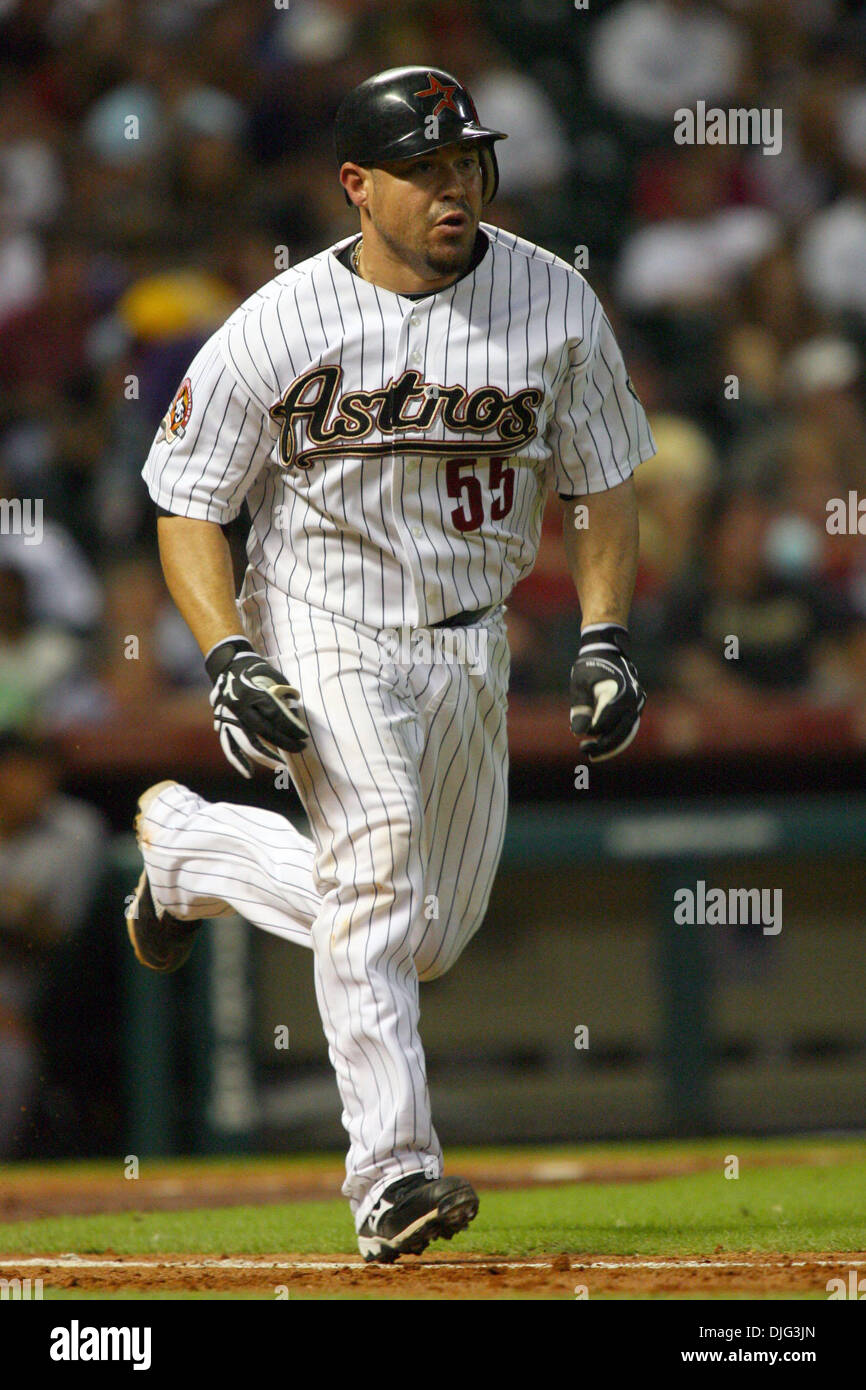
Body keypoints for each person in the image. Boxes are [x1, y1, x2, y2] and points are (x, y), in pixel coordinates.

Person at [128, 66, 654, 1262]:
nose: (451, 185)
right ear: (358, 186)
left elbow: (602, 478)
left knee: (423, 933)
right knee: (370, 875)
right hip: (322, 615)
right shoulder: (281, 320)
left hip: (471, 635)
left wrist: (605, 633)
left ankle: (191, 850)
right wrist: (225, 650)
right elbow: (186, 501)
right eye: (422, 169)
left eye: (464, 161)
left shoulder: (553, 300)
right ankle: (393, 1174)